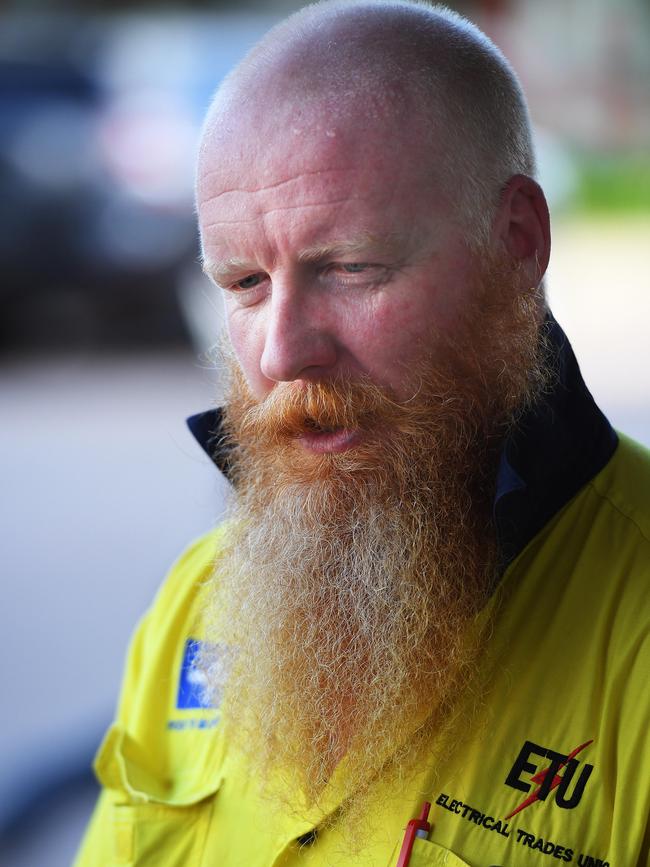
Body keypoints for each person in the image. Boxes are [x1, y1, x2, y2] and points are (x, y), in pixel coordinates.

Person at [74, 2, 650, 865]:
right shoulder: (196, 604)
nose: (282, 350)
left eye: (349, 267)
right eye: (242, 282)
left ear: (518, 240)